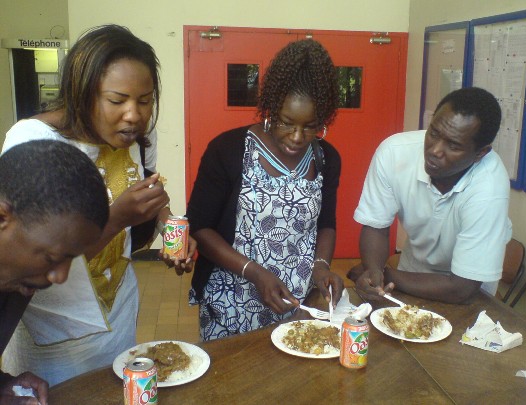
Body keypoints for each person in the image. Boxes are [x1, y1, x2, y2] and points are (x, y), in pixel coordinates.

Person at [1, 24, 196, 386]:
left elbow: (149, 189)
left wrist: (171, 226)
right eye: (117, 100)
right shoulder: (34, 142)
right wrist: (117, 217)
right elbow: (35, 253)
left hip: (118, 307)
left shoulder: (135, 132)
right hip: (59, 331)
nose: (134, 115)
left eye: (145, 99)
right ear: (82, 93)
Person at [187, 39, 344, 341]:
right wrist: (255, 272)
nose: (298, 137)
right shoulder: (229, 150)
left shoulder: (326, 158)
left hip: (297, 304)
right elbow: (201, 227)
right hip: (231, 302)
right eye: (286, 123)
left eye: (311, 126)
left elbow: (325, 224)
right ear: (270, 107)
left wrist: (321, 268)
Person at [348, 87, 512, 304]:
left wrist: (385, 274)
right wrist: (374, 272)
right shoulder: (394, 153)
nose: (435, 150)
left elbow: (462, 289)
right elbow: (375, 226)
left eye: (453, 145)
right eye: (433, 132)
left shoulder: (489, 187)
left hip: (468, 285)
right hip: (411, 273)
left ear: (480, 153)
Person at [0, 140, 109, 405]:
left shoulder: (20, 280)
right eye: (52, 258)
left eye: (71, 259)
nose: (59, 277)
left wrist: (4, 384)